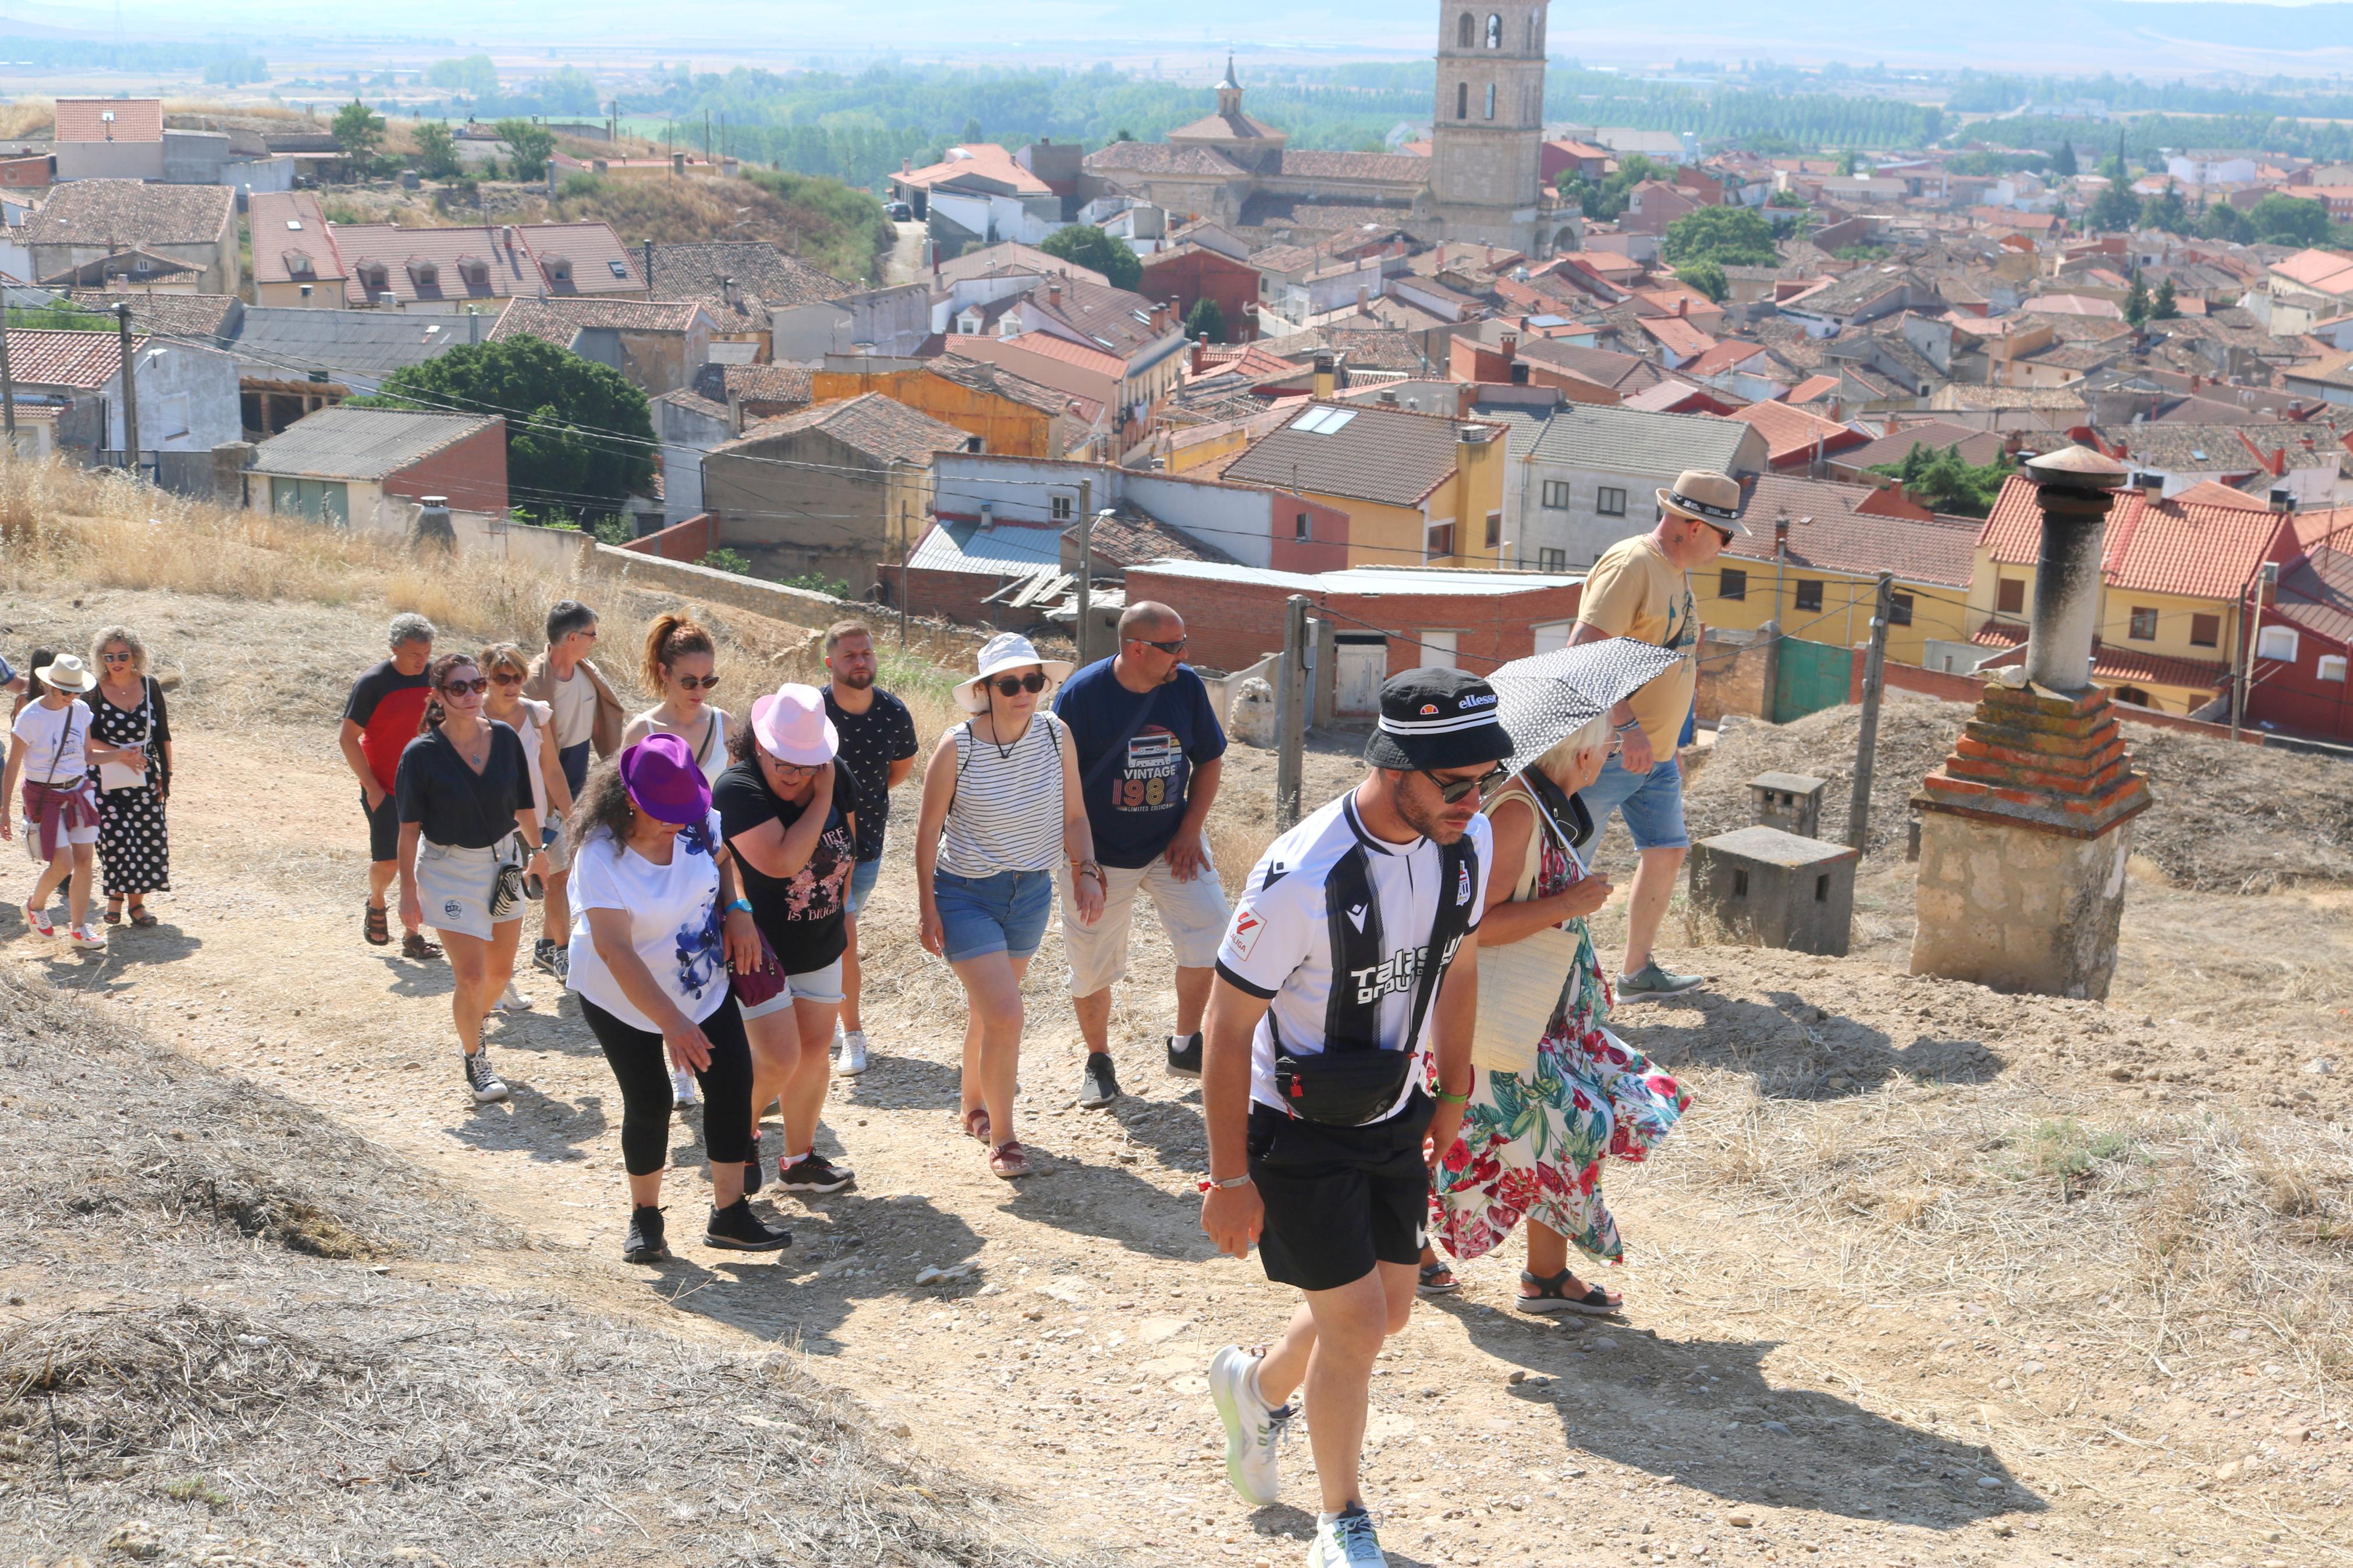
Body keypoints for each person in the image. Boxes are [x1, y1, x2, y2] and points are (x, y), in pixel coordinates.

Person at [1198, 669, 1510, 1568]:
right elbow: (1225, 1027)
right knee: (1356, 1327)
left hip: (1396, 1111)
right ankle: (1342, 1519)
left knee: (1387, 1311)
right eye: (1454, 781)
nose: (1472, 798)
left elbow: (1456, 967)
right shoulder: (1300, 876)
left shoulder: (1468, 840)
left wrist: (1452, 1094)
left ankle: (1252, 1387)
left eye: (1484, 777)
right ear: (1394, 764)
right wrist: (1228, 1175)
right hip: (1295, 1125)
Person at [1419, 713, 1689, 1311]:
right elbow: (1470, 927)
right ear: (1583, 754)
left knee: (1563, 1132)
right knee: (1564, 1129)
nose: (1612, 755)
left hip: (1549, 1021)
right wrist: (1568, 901)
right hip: (1502, 1020)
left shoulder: (1546, 805)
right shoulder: (1517, 811)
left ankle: (1544, 1277)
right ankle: (1414, 1248)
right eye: (1608, 745)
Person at [567, 732, 792, 1261]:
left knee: (733, 1082)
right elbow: (615, 950)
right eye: (662, 811)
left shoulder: (698, 818)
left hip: (698, 980)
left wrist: (738, 912)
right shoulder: (600, 855)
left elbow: (723, 862)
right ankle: (645, 1217)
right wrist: (671, 1023)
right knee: (651, 1101)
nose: (676, 820)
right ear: (630, 799)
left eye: (683, 808)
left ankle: (729, 1214)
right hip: (621, 992)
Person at [911, 633, 1103, 1181]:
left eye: (1033, 681)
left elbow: (1074, 816)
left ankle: (973, 1103)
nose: (1024, 692)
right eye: (1010, 683)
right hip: (965, 893)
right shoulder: (958, 746)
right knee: (1006, 1012)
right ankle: (1004, 1136)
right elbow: (926, 833)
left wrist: (1085, 870)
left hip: (1031, 893)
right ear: (985, 689)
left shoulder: (1055, 734)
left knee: (991, 1010)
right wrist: (927, 907)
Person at [1570, 467, 1742, 1001]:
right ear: (1693, 527)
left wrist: (1670, 743)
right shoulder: (1633, 565)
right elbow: (1583, 652)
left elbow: (1674, 655)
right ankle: (1557, 985)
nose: (1726, 546)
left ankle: (1635, 973)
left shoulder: (1675, 568)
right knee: (1570, 871)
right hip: (1609, 749)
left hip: (1653, 754)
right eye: (1725, 535)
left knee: (1666, 851)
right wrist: (1629, 727)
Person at [1053, 600, 1229, 1108]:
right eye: (1174, 647)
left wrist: (1190, 830)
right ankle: (1099, 1061)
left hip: (1171, 844)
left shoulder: (1186, 686)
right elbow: (1060, 789)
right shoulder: (1081, 697)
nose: (1184, 654)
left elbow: (1210, 759)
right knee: (1091, 964)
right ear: (1137, 648)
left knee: (1213, 935)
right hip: (1099, 855)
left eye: (1183, 643)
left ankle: (1186, 1044)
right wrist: (1081, 865)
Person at [715, 685, 858, 1197]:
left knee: (815, 1050)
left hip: (819, 936)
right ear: (759, 744)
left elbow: (850, 849)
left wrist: (840, 918)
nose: (796, 774)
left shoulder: (835, 774)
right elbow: (780, 860)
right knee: (777, 1058)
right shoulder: (737, 788)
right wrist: (820, 797)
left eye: (807, 763)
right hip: (760, 946)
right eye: (785, 762)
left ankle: (798, 1159)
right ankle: (741, 1132)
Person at [395, 653, 545, 1106]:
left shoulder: (504, 738)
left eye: (475, 684)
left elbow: (523, 806)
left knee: (499, 975)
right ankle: (475, 1057)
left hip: (503, 864)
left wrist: (537, 853)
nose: (470, 694)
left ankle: (473, 1024)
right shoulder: (420, 755)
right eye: (457, 687)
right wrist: (406, 891)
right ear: (438, 696)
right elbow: (407, 831)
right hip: (448, 870)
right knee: (472, 974)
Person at [819, 620, 918, 1076]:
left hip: (869, 848)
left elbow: (898, 771)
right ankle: (852, 1033)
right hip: (814, 848)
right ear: (830, 663)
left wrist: (865, 803)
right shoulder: (812, 711)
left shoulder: (893, 713)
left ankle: (831, 1022)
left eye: (866, 653)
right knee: (842, 938)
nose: (860, 662)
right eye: (849, 655)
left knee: (834, 937)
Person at [1, 653, 136, 951]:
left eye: (75, 691)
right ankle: (35, 906)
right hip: (45, 796)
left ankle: (78, 928)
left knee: (85, 861)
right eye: (65, 691)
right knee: (63, 863)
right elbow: (13, 766)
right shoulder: (31, 717)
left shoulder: (81, 711)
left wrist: (120, 755)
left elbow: (87, 756)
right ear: (49, 686)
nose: (71, 697)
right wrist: (4, 811)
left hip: (79, 791)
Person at [524, 599, 623, 983]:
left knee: (564, 871)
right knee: (558, 874)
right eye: (592, 634)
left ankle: (548, 944)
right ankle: (562, 952)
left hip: (580, 778)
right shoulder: (532, 682)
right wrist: (568, 808)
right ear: (571, 637)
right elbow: (541, 757)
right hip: (542, 787)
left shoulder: (587, 674)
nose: (596, 641)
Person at [480, 642, 573, 1012]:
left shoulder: (537, 715)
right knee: (503, 905)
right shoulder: (474, 716)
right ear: (485, 678)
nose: (511, 684)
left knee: (559, 878)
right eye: (502, 677)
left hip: (541, 820)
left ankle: (561, 953)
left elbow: (552, 769)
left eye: (518, 676)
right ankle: (501, 981)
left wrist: (574, 815)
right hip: (496, 828)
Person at [339, 614, 439, 959]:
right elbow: (348, 738)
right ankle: (377, 899)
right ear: (394, 649)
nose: (422, 661)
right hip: (386, 789)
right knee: (389, 863)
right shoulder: (373, 683)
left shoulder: (435, 678)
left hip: (427, 786)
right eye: (414, 654)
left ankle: (413, 936)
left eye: (427, 653)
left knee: (423, 862)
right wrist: (371, 786)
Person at [86, 625, 172, 929]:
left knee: (147, 837)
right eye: (109, 656)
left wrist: (167, 773)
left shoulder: (150, 686)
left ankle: (137, 905)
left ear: (134, 655)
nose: (116, 661)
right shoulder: (93, 691)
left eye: (123, 655)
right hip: (105, 777)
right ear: (102, 659)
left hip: (146, 775)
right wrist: (120, 753)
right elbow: (89, 740)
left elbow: (162, 734)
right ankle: (115, 899)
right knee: (114, 839)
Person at [623, 612, 733, 783]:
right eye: (689, 682)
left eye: (708, 680)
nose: (700, 690)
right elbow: (625, 799)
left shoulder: (725, 725)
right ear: (664, 672)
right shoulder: (641, 732)